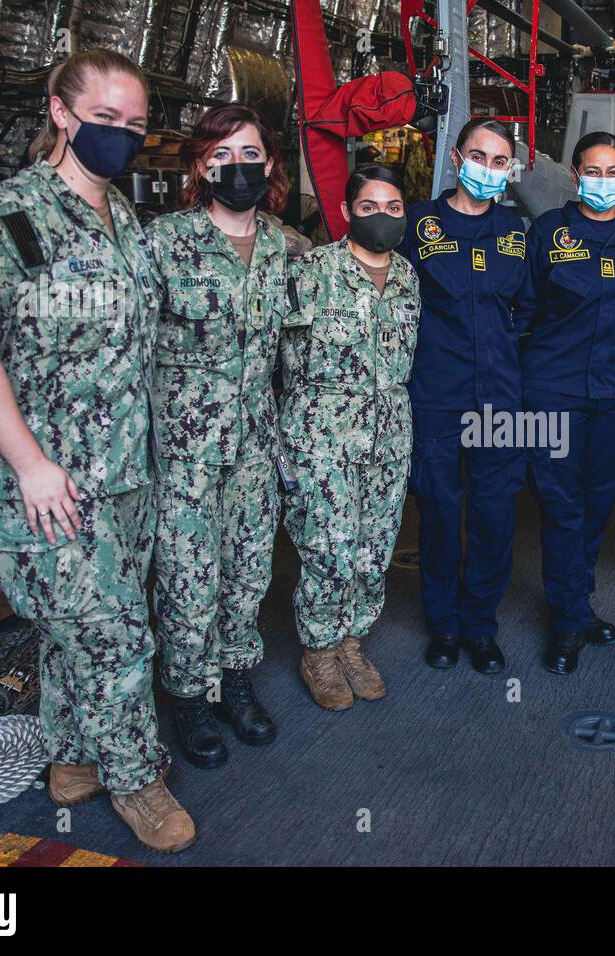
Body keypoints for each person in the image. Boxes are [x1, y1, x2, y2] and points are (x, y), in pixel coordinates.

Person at [0, 49, 194, 852]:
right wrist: (31, 465)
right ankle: (135, 777)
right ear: (60, 111)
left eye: (135, 126)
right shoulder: (8, 217)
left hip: (123, 473)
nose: (120, 136)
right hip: (47, 478)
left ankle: (76, 757)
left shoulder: (125, 221)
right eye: (105, 119)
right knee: (113, 634)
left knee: (77, 629)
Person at [148, 105, 289, 768]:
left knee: (247, 571)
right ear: (201, 166)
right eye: (223, 155)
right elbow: (125, 345)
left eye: (251, 154)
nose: (239, 168)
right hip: (184, 451)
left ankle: (235, 680)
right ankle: (188, 698)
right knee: (186, 577)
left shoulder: (284, 246)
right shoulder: (164, 241)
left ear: (269, 163)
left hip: (255, 448)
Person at [280, 164, 419, 710]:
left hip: (388, 440)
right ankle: (318, 650)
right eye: (368, 208)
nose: (381, 218)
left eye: (392, 208)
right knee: (328, 551)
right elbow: (277, 357)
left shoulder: (409, 277)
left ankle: (352, 642)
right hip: (322, 440)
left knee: (374, 551)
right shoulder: (312, 272)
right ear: (345, 213)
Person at [521, 132, 615, 674]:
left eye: (614, 171)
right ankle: (568, 618)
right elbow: (524, 308)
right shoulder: (549, 232)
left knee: (599, 502)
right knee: (560, 505)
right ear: (576, 176)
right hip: (553, 390)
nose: (604, 181)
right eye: (593, 172)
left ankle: (578, 600)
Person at [398, 119, 528, 674]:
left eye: (500, 162)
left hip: (501, 398)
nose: (488, 169)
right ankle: (443, 626)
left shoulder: (520, 231)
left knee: (495, 515)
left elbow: (533, 312)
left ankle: (480, 625)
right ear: (455, 158)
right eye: (479, 156)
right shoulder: (418, 223)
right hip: (437, 395)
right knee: (441, 513)